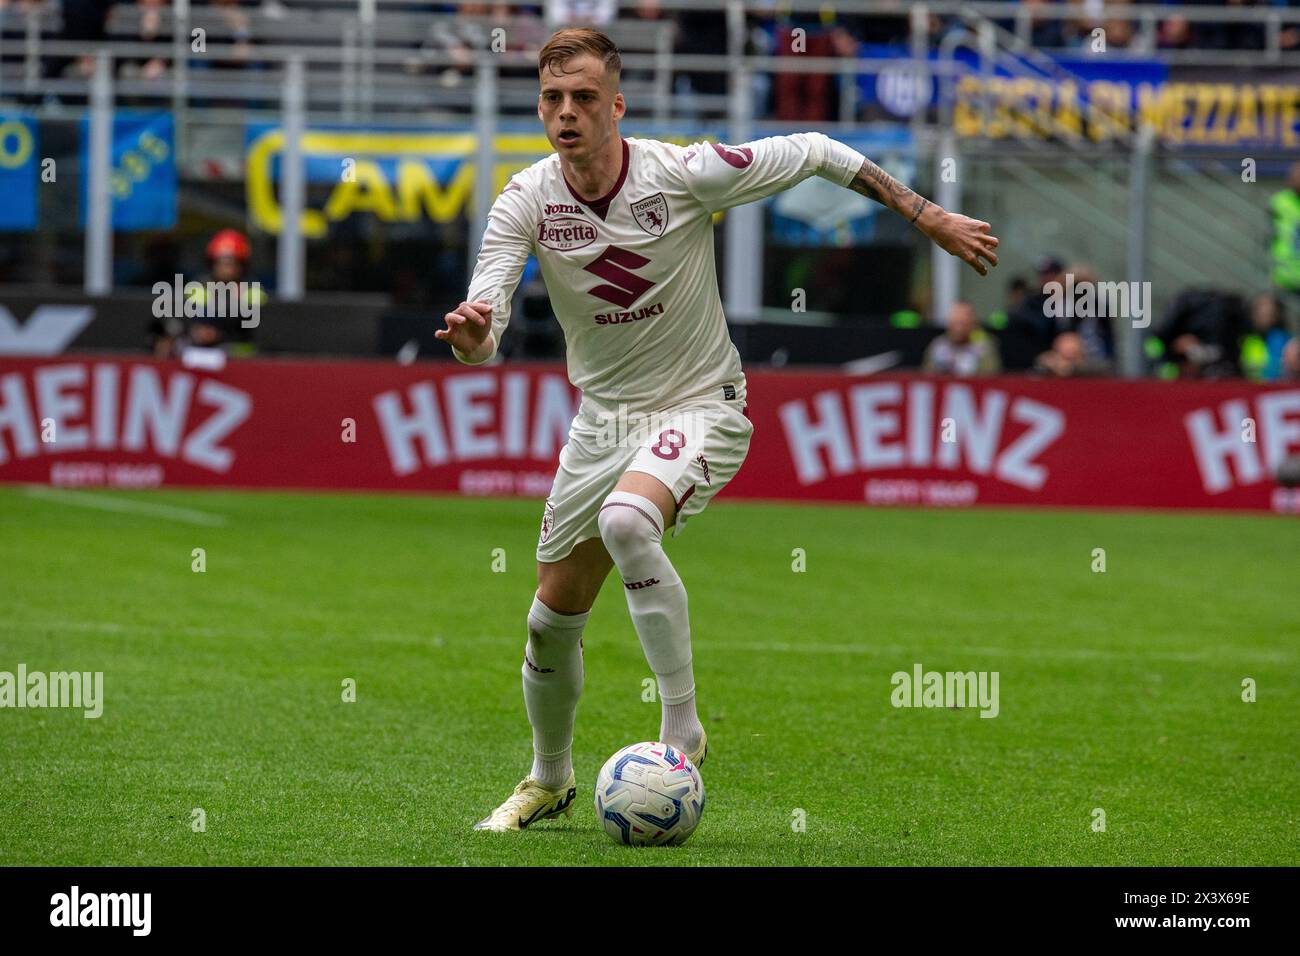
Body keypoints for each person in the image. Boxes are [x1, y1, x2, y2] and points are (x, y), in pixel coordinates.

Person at [437, 28, 1000, 833]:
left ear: (616, 107)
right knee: (549, 618)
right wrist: (472, 341)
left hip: (702, 403)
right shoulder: (524, 199)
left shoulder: (682, 172)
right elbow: (484, 325)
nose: (567, 113)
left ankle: (681, 733)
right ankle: (547, 778)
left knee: (628, 521)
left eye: (585, 98)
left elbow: (811, 147)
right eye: (554, 99)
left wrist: (926, 213)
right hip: (604, 424)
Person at [922, 300, 1002, 376]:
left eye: (963, 324)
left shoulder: (984, 347)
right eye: (955, 323)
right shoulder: (937, 346)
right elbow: (927, 377)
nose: (959, 329)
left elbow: (991, 377)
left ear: (973, 324)